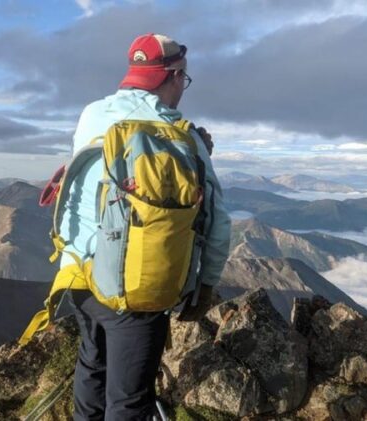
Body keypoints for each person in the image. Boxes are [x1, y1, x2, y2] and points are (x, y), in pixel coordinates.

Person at [59, 33, 231, 420]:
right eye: (183, 78)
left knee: (93, 365)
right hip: (136, 285)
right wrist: (205, 285)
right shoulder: (182, 135)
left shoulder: (91, 114)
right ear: (170, 76)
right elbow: (218, 221)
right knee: (130, 401)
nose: (182, 88)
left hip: (79, 275)